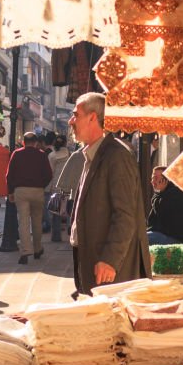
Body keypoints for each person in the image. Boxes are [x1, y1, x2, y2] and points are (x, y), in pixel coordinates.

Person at [68, 93, 150, 295]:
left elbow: (125, 215)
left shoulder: (116, 156)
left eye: (75, 115)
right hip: (94, 263)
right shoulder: (93, 155)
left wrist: (110, 259)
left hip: (110, 271)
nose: (71, 121)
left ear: (92, 117)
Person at [7, 131, 53, 265]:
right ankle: (38, 249)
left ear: (23, 142)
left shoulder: (17, 154)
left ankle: (25, 251)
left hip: (21, 191)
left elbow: (9, 175)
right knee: (37, 221)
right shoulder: (42, 155)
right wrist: (41, 186)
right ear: (36, 142)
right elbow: (49, 175)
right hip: (38, 191)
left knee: (23, 222)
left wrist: (10, 191)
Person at [146, 165, 183, 245]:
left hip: (173, 238)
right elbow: (151, 222)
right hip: (161, 234)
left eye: (155, 178)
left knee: (143, 239)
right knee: (140, 236)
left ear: (165, 179)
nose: (152, 181)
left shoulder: (175, 194)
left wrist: (161, 193)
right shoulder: (160, 195)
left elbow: (162, 213)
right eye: (152, 178)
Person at [47, 134, 71, 243]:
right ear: (65, 143)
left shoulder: (52, 156)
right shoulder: (70, 155)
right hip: (68, 186)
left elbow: (50, 172)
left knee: (56, 211)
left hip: (56, 186)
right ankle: (71, 232)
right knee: (69, 210)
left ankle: (56, 236)